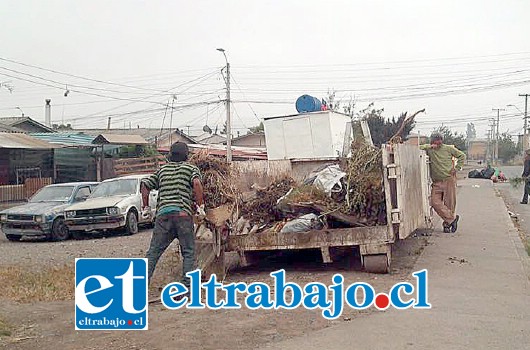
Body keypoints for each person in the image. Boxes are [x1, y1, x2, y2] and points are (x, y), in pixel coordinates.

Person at [141, 142, 204, 292]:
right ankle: (187, 287)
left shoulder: (162, 170)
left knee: (153, 253)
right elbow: (196, 183)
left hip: (163, 216)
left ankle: (139, 286)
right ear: (186, 155)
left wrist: (146, 207)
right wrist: (200, 206)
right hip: (183, 215)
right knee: (188, 252)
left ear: (170, 155)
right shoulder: (191, 168)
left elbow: (145, 184)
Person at [420, 133, 466, 233]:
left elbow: (462, 155)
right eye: (437, 140)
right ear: (432, 141)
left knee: (449, 203)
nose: (439, 142)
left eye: (440, 140)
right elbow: (418, 148)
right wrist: (429, 146)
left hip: (449, 179)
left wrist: (457, 168)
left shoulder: (448, 148)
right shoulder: (429, 149)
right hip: (436, 182)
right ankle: (452, 219)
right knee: (434, 202)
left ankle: (447, 225)